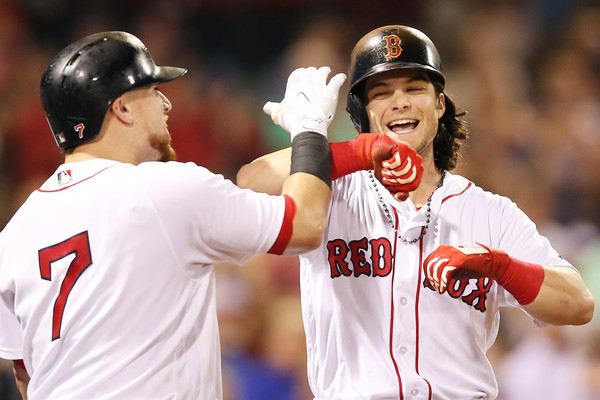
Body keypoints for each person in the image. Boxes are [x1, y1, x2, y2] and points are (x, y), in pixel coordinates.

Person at [0, 31, 410, 400]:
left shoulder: (14, 233)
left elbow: (25, 375)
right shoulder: (162, 188)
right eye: (152, 90)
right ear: (122, 108)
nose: (166, 102)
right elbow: (304, 225)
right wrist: (310, 131)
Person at [237, 25, 595, 399]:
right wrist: (354, 153)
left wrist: (501, 267)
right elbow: (251, 181)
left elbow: (578, 304)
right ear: (363, 110)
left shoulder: (489, 212)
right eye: (381, 93)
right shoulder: (327, 193)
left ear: (440, 104)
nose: (400, 101)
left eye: (415, 89)